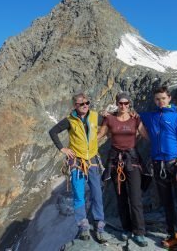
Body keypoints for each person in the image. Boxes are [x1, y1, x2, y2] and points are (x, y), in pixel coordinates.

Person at [139, 86, 177, 251]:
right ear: (154, 100)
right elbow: (132, 116)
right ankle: (174, 236)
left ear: (169, 98)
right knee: (166, 204)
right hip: (158, 166)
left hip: (175, 166)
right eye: (157, 99)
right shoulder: (150, 117)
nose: (160, 101)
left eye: (163, 98)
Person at [48, 92, 107, 243]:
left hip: (92, 159)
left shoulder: (94, 116)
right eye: (82, 104)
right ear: (75, 106)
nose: (86, 105)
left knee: (97, 193)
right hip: (77, 161)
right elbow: (53, 131)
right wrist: (63, 149)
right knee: (79, 195)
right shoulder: (70, 120)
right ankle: (83, 227)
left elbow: (109, 121)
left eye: (87, 102)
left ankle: (99, 226)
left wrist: (102, 131)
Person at [97, 93, 149, 247]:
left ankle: (139, 232)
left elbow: (146, 135)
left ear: (129, 104)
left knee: (135, 198)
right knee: (121, 198)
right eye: (121, 103)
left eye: (126, 103)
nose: (124, 106)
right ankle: (126, 229)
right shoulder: (110, 119)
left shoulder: (135, 118)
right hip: (115, 162)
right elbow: (99, 135)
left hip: (132, 161)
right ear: (117, 104)